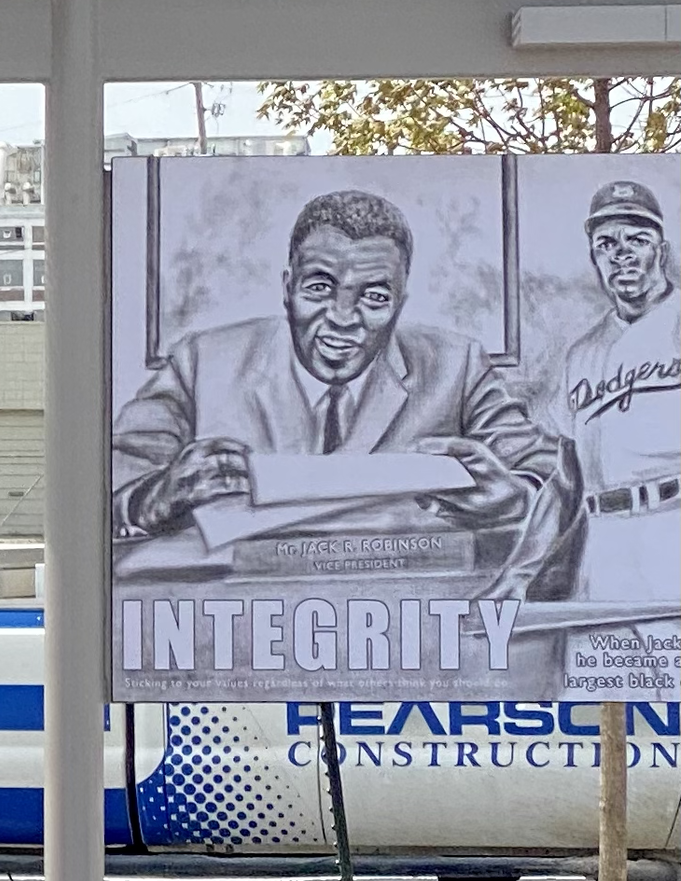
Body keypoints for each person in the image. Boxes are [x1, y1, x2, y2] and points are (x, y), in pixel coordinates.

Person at [112, 186, 570, 563]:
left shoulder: (455, 366)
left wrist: (516, 497)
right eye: (319, 288)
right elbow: (111, 477)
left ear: (401, 303)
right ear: (287, 287)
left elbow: (550, 472)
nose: (343, 318)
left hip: (399, 624)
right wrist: (150, 497)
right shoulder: (202, 363)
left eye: (373, 297)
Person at [555, 175, 679, 610]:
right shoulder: (582, 354)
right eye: (606, 243)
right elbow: (564, 478)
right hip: (603, 541)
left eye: (637, 239)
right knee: (591, 676)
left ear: (660, 251)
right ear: (595, 259)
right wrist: (519, 571)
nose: (621, 252)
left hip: (671, 530)